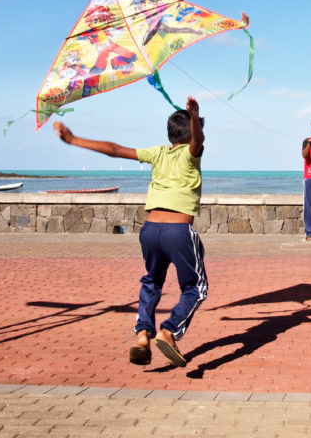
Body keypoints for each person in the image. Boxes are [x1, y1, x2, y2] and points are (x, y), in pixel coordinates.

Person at [53, 96, 206, 368]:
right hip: (178, 232)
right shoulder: (190, 155)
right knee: (195, 288)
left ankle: (143, 336)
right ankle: (168, 331)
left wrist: (74, 140)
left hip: (149, 231)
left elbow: (114, 149)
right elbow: (197, 142)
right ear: (192, 131)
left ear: (170, 133)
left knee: (151, 282)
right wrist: (195, 116)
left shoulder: (158, 153)